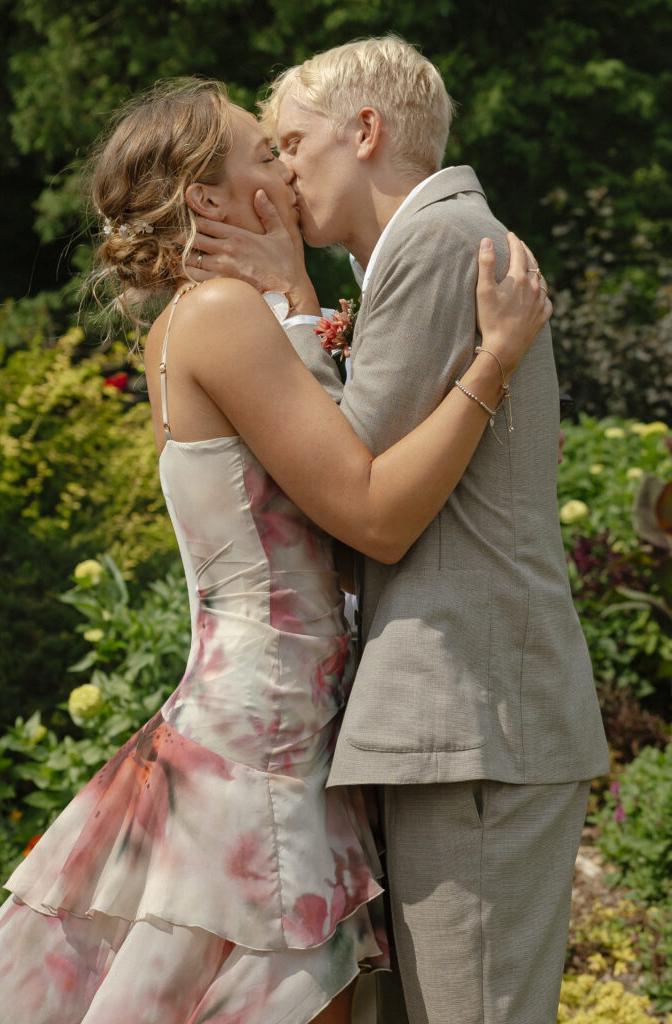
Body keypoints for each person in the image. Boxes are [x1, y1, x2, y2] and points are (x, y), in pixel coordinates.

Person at [0, 79, 549, 1024]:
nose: (285, 169)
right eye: (262, 152)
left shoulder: (214, 316)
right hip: (263, 746)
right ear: (205, 199)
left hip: (282, 727)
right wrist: (492, 361)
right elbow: (370, 511)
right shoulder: (216, 315)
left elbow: (325, 452)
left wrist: (293, 286)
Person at [185, 37, 611, 1024]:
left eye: (291, 142)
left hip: (466, 721)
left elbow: (341, 487)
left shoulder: (433, 241)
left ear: (363, 131)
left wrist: (291, 299)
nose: (282, 172)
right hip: (453, 722)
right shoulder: (426, 248)